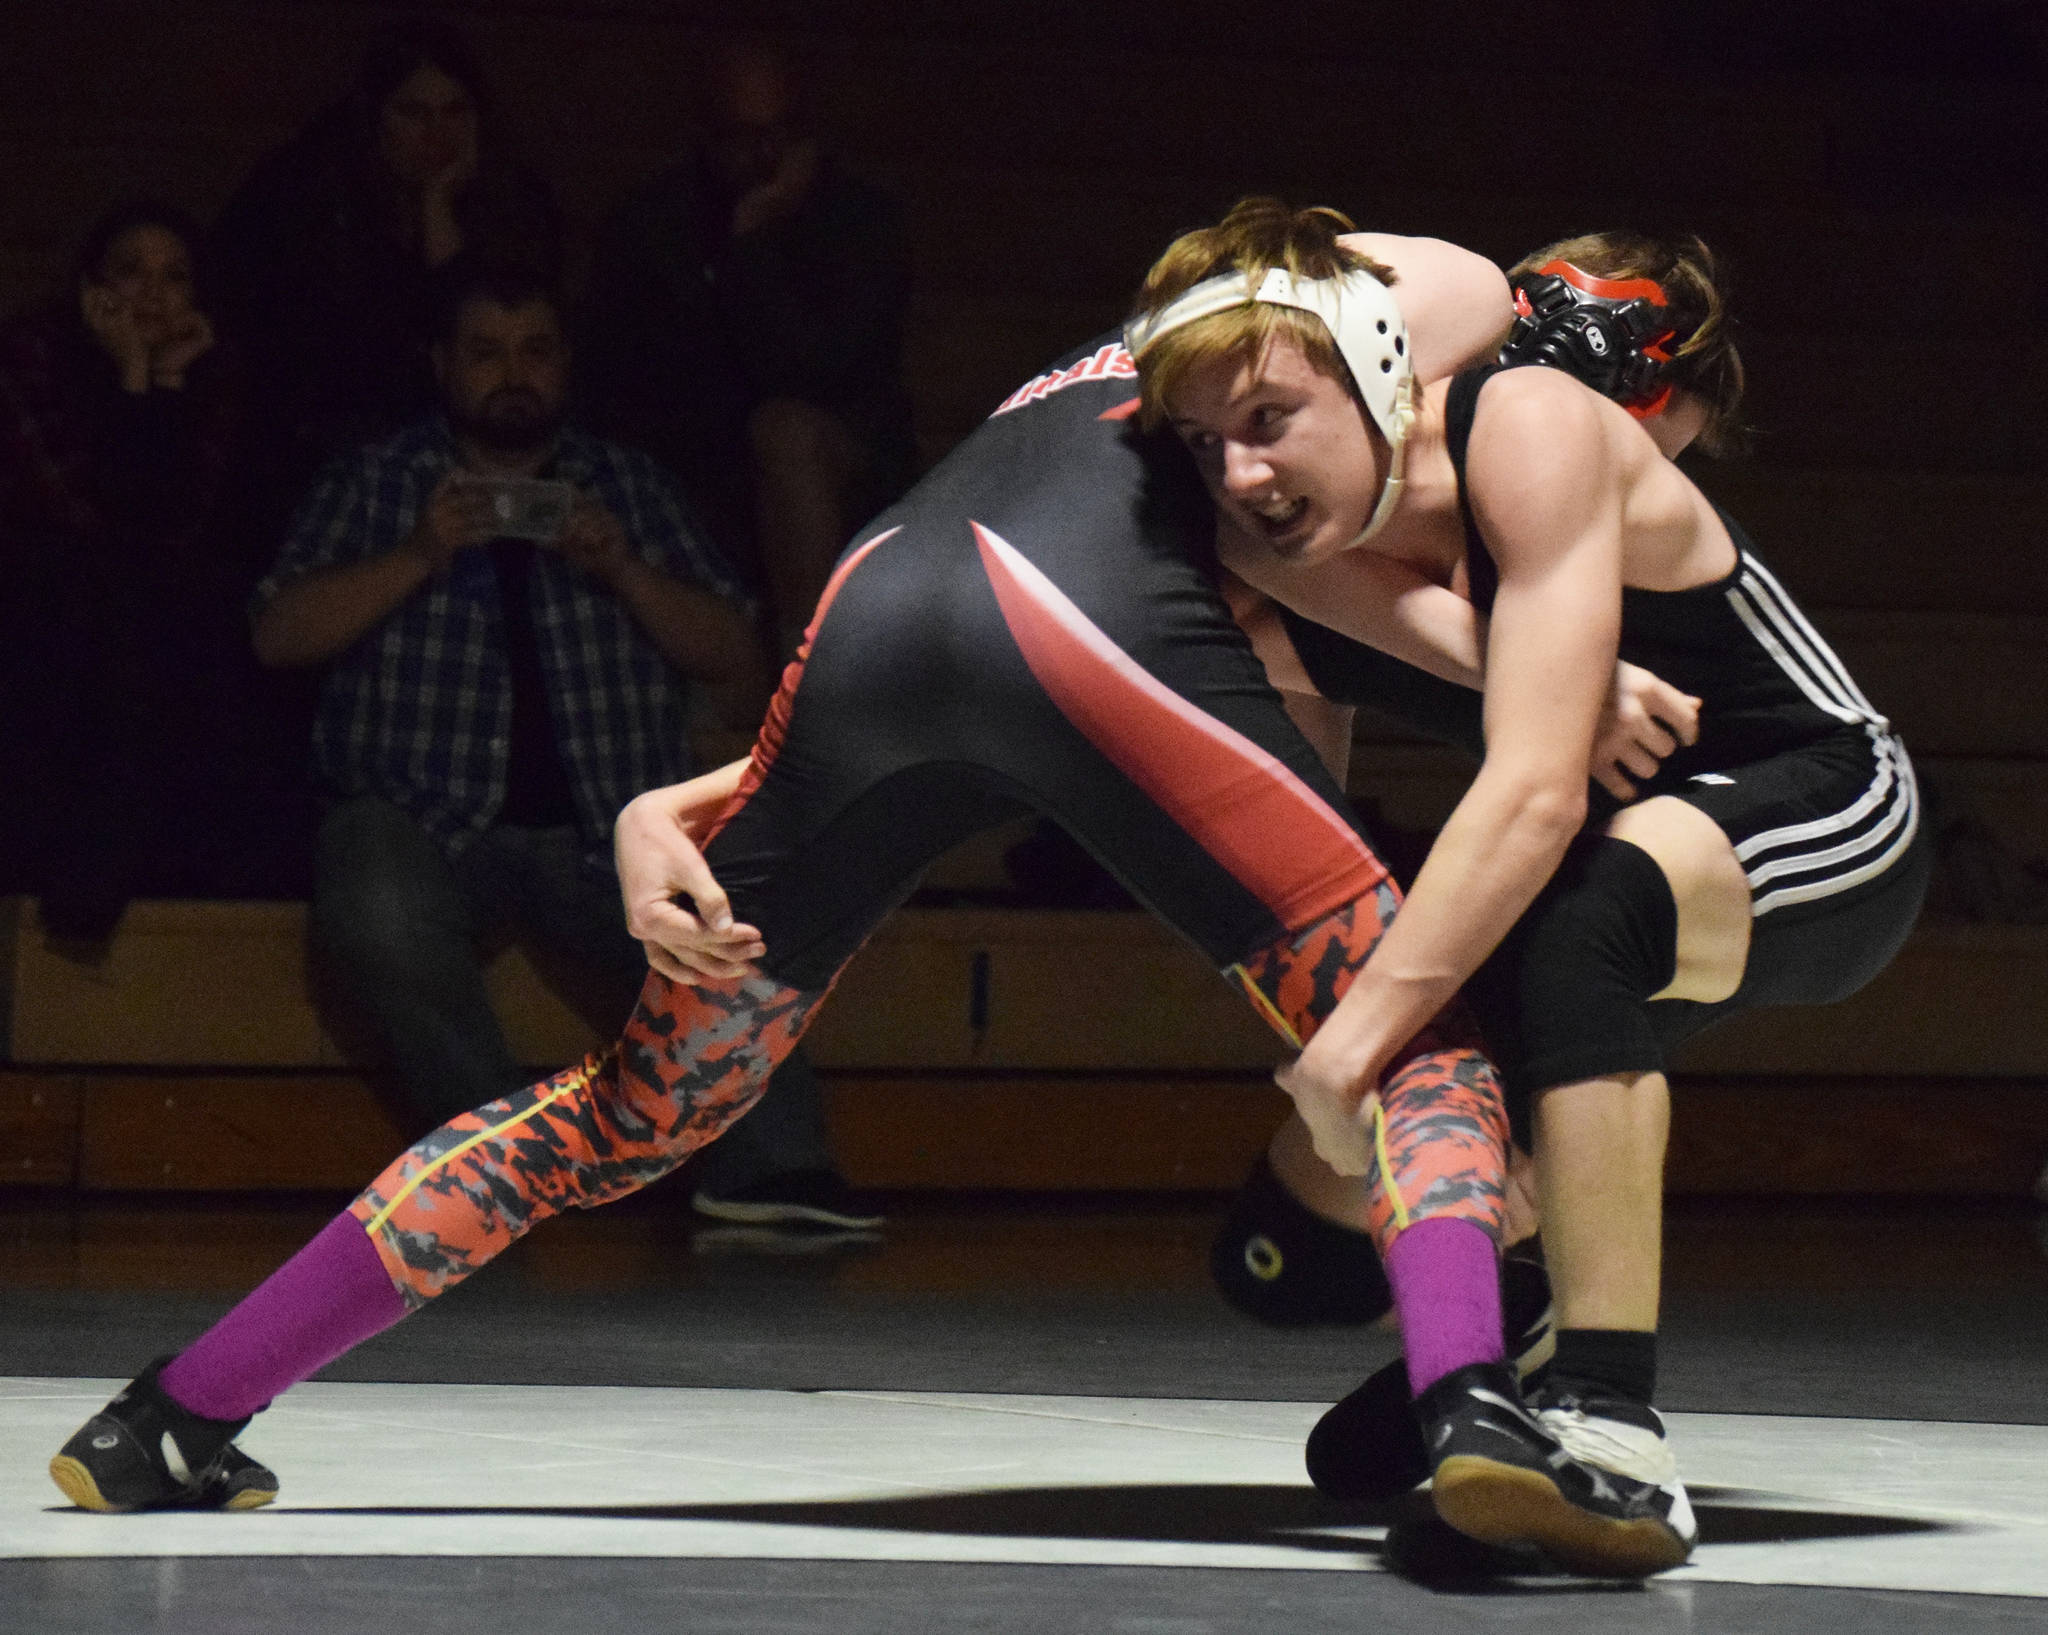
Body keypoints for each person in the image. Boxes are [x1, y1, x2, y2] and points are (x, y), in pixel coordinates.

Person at [49, 230, 1585, 1522]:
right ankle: (1470, 1415)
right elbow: (1329, 536)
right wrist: (1518, 641)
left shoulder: (1156, 389)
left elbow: (1119, 617)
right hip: (1070, 637)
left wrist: (682, 800)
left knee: (626, 1109)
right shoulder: (1408, 321)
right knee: (1413, 1028)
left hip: (881, 613)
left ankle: (171, 1413)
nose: (1248, 461)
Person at [1127, 201, 1930, 1574]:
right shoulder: (1296, 547)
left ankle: (1610, 1415)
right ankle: (1524, 1334)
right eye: (1214, 441)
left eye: (1268, 419)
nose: (1244, 473)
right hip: (1622, 832)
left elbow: (1539, 794)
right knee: (1283, 1260)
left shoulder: (1535, 421)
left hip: (1825, 795)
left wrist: (1356, 1039)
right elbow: (1319, 835)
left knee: (1580, 926)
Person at [249, 253, 855, 1224]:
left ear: (566, 364)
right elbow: (278, 633)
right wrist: (417, 552)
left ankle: (778, 1170)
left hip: (604, 828)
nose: (512, 373)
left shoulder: (625, 485)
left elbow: (735, 654)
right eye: (485, 352)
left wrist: (623, 568)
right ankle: (503, 1171)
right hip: (422, 819)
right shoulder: (380, 479)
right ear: (442, 364)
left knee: (723, 906)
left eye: (535, 350)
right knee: (371, 883)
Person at [0, 201, 297, 936]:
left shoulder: (208, 371)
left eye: (175, 276)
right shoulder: (30, 356)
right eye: (131, 271)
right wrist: (132, 377)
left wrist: (154, 383)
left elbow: (176, 523)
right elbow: (74, 513)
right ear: (91, 286)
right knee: (119, 605)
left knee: (183, 610)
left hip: (142, 611)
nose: (153, 294)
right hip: (40, 595)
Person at [583, 41, 915, 650]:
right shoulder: (656, 227)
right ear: (708, 135)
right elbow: (645, 381)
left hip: (841, 473)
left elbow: (814, 375)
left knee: (784, 432)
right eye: (744, 137)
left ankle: (804, 680)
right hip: (695, 466)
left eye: (781, 133)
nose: (766, 156)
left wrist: (753, 242)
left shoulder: (859, 223)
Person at [210, 19, 561, 533]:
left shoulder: (514, 205)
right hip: (328, 450)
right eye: (413, 113)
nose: (435, 134)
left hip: (477, 452)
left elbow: (484, 342)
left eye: (453, 112)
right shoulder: (312, 203)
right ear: (375, 119)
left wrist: (439, 217)